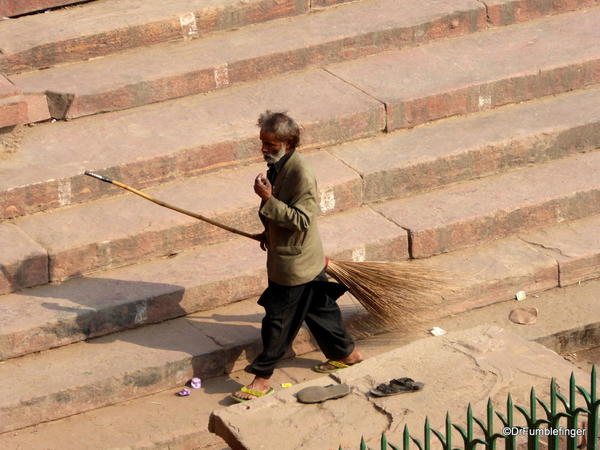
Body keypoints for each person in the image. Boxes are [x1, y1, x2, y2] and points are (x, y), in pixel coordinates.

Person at [231, 111, 362, 402]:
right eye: (263, 143)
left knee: (278, 320)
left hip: (296, 264)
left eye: (271, 145)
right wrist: (268, 232)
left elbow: (303, 220)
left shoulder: (301, 173)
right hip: (302, 257)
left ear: (289, 143)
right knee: (320, 308)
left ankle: (262, 378)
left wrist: (267, 199)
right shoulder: (279, 166)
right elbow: (283, 214)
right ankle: (348, 354)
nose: (265, 150)